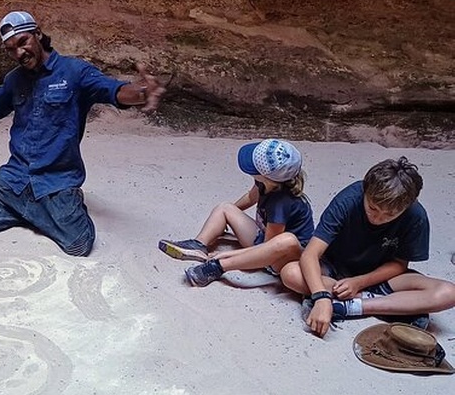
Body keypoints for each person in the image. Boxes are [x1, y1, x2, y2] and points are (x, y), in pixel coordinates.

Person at [0, 10, 167, 257]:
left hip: (56, 180)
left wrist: (141, 94)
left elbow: (113, 91)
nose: (19, 53)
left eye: (23, 42)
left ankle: (42, 209)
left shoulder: (74, 72)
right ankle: (36, 213)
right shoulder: (14, 80)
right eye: (11, 49)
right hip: (17, 176)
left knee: (78, 246)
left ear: (38, 34)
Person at [280, 156, 455, 338]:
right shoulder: (348, 200)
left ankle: (350, 307)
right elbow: (310, 254)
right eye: (372, 208)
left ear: (408, 206)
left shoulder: (416, 216)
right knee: (290, 273)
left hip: (379, 278)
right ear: (365, 191)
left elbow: (399, 265)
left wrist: (359, 283)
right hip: (333, 272)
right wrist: (320, 297)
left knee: (449, 292)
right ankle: (394, 306)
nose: (378, 218)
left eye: (390, 214)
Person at [159, 139, 314, 287]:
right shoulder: (267, 183)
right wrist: (228, 218)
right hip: (264, 237)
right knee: (225, 207)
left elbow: (269, 247)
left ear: (266, 177)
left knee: (256, 250)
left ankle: (220, 266)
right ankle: (198, 245)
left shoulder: (281, 203)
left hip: (281, 256)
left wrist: (232, 255)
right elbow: (251, 197)